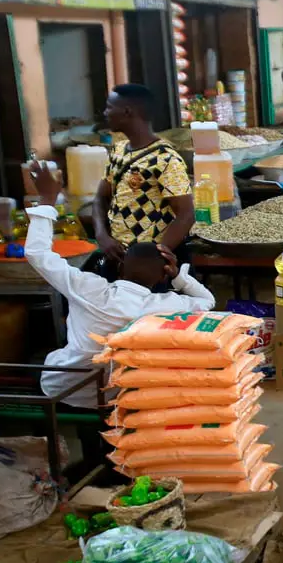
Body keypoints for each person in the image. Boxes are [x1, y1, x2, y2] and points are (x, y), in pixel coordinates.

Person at [23, 163, 214, 466]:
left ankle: (53, 451)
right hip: (124, 394)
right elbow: (207, 301)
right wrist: (179, 277)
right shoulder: (166, 305)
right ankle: (105, 456)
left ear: (120, 267)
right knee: (97, 381)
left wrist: (47, 199)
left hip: (66, 387)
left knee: (37, 355)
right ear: (162, 276)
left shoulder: (90, 288)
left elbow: (37, 254)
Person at [88, 84, 194, 282]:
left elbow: (186, 215)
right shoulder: (118, 151)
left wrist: (154, 257)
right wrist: (103, 236)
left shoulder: (166, 159)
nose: (105, 112)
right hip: (118, 259)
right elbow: (100, 199)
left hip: (147, 270)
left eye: (109, 107)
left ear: (127, 112)